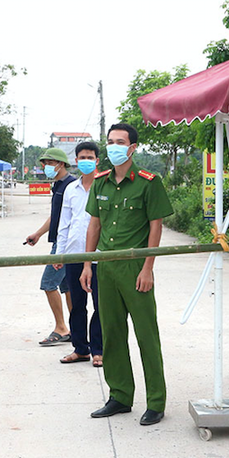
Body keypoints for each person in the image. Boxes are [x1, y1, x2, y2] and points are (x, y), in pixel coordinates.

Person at [80, 123, 173, 426]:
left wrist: (148, 267)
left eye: (120, 142)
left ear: (133, 148)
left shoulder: (149, 182)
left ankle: (156, 401)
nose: (114, 146)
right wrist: (87, 265)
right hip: (106, 266)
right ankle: (120, 395)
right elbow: (95, 225)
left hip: (136, 267)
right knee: (112, 333)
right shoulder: (101, 183)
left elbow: (156, 226)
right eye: (110, 141)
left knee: (147, 334)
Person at [52, 142, 103, 367]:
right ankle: (80, 348)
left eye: (90, 157)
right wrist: (59, 254)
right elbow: (65, 223)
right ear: (76, 160)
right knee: (77, 304)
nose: (85, 161)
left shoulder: (104, 186)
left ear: (97, 161)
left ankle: (98, 350)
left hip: (99, 256)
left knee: (100, 305)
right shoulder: (71, 189)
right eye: (82, 157)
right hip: (73, 254)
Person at [26, 147, 75, 346]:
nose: (44, 167)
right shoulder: (58, 185)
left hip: (65, 244)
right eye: (43, 163)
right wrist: (38, 233)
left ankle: (62, 328)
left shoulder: (71, 186)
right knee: (66, 287)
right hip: (59, 241)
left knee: (48, 283)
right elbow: (56, 215)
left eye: (48, 163)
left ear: (60, 164)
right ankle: (76, 327)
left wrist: (64, 247)